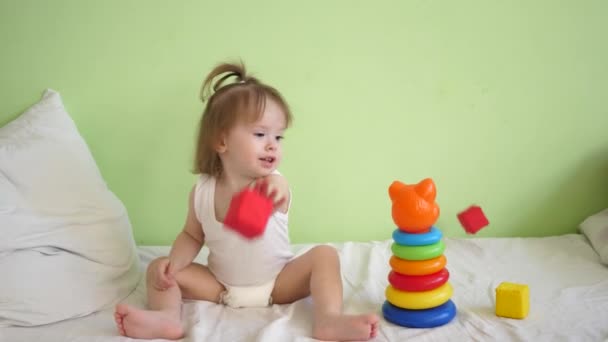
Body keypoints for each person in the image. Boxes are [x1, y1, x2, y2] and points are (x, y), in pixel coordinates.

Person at [114, 62, 379, 341]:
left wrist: (273, 193)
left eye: (278, 136)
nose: (272, 144)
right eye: (260, 134)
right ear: (221, 141)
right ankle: (167, 318)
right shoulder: (202, 191)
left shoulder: (273, 183)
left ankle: (328, 319)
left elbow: (280, 191)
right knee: (158, 267)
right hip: (219, 286)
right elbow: (192, 235)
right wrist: (175, 265)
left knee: (325, 255)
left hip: (279, 282)